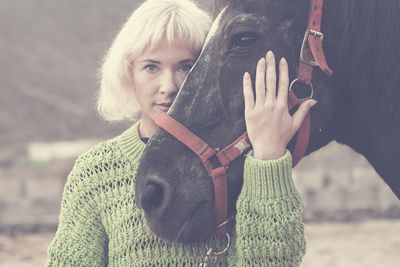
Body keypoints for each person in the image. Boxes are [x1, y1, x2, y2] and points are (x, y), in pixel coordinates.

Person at [46, 0, 316, 266]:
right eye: (151, 67)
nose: (168, 86)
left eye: (186, 66)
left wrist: (269, 159)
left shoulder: (245, 166)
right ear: (129, 72)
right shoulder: (95, 172)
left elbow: (274, 263)